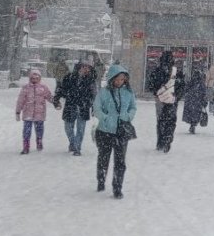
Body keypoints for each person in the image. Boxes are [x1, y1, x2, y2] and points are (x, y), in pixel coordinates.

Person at [94, 64, 137, 199]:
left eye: (122, 79)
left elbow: (133, 107)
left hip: (121, 131)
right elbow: (96, 107)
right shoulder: (104, 92)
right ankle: (101, 179)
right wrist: (105, 118)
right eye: (117, 79)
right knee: (103, 158)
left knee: (120, 162)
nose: (120, 81)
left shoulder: (129, 92)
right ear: (111, 78)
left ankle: (117, 187)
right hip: (105, 131)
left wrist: (128, 116)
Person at [54, 60, 98, 156]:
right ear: (79, 67)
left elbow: (95, 95)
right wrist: (56, 99)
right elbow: (60, 89)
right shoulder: (69, 77)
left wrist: (95, 107)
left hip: (84, 107)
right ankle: (72, 143)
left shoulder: (91, 80)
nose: (86, 69)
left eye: (88, 67)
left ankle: (77, 148)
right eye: (84, 66)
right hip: (70, 105)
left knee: (80, 130)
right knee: (68, 128)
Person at [147, 51, 186, 153]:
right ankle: (168, 138)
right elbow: (182, 86)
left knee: (160, 120)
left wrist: (157, 92)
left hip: (160, 100)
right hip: (173, 100)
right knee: (171, 120)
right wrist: (176, 96)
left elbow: (151, 85)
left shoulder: (157, 71)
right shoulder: (177, 72)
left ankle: (160, 141)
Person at [15, 69, 54, 155]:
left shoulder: (43, 88)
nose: (34, 80)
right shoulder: (26, 88)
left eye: (36, 78)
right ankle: (26, 146)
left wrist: (55, 102)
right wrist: (18, 112)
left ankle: (39, 141)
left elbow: (49, 96)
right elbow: (20, 101)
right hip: (27, 113)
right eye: (32, 78)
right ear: (30, 78)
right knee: (26, 131)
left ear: (39, 78)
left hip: (40, 113)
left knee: (39, 129)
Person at [182, 67, 208, 134]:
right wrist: (204, 102)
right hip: (197, 101)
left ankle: (192, 125)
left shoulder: (191, 82)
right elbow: (204, 93)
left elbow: (185, 90)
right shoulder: (201, 83)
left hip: (190, 101)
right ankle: (193, 125)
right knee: (196, 114)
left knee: (191, 114)